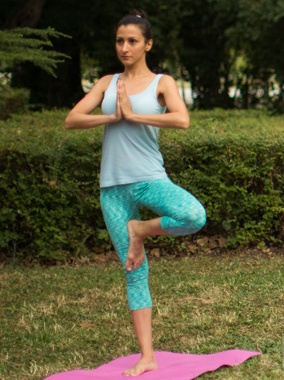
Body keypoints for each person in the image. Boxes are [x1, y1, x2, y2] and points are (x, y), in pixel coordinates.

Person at [63, 10, 205, 376]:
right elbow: (72, 119)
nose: (124, 47)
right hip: (112, 186)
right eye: (119, 41)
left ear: (147, 44)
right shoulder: (107, 82)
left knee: (193, 215)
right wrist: (113, 117)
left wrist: (135, 115)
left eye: (132, 41)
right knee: (134, 271)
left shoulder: (163, 81)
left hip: (148, 178)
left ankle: (140, 229)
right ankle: (147, 357)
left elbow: (181, 119)